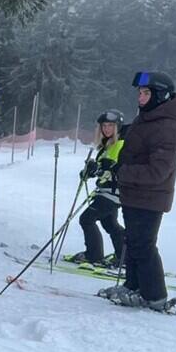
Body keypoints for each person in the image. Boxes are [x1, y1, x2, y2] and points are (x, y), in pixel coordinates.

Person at [97, 71, 176, 310]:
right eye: (140, 92)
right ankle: (133, 285)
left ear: (160, 96)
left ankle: (154, 295)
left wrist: (123, 173)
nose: (140, 97)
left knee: (144, 245)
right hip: (134, 194)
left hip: (150, 196)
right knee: (133, 241)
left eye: (146, 93)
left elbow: (158, 170)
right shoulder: (147, 118)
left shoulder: (167, 127)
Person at [65, 109, 126, 267]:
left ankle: (94, 255)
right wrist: (89, 171)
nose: (106, 129)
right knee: (110, 223)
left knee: (87, 219)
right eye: (104, 125)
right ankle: (124, 256)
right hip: (105, 192)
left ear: (117, 127)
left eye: (110, 125)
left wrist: (101, 170)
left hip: (113, 193)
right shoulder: (107, 145)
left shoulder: (120, 144)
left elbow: (113, 168)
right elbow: (101, 168)